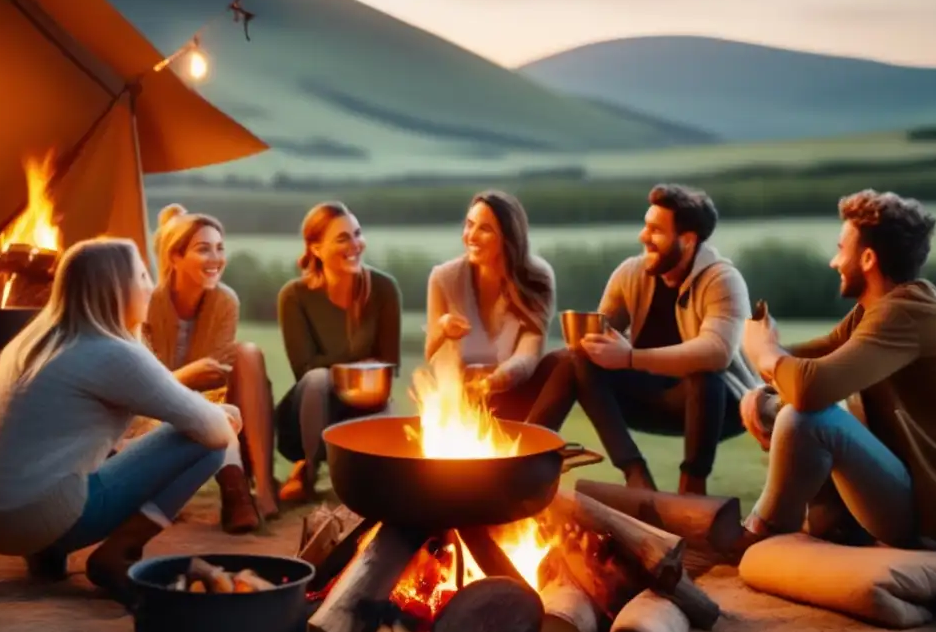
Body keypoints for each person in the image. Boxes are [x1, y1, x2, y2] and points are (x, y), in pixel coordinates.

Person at [0, 238, 237, 604]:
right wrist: (226, 416)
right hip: (42, 516)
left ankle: (46, 555)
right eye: (142, 275)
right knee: (210, 437)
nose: (150, 285)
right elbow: (213, 431)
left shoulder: (32, 342)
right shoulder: (110, 351)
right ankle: (118, 554)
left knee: (68, 456)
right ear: (117, 287)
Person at [739, 189, 936, 557]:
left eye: (841, 248)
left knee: (807, 419)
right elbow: (816, 359)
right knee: (785, 408)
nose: (834, 261)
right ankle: (825, 527)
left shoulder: (904, 315)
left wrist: (764, 352)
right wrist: (764, 374)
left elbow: (810, 387)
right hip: (921, 495)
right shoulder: (884, 309)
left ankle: (758, 536)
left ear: (867, 258)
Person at [526, 184, 758, 495]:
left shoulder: (722, 280)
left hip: (719, 410)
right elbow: (598, 344)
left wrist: (630, 358)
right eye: (645, 225)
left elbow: (717, 353)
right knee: (577, 361)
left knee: (705, 378)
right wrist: (584, 344)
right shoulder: (631, 273)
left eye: (655, 230)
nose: (643, 236)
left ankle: (692, 485)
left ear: (687, 240)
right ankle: (530, 459)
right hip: (646, 398)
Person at [142, 204, 277, 534]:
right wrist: (186, 378)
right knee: (207, 410)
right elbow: (143, 385)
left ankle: (243, 493)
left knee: (246, 355)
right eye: (203, 249)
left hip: (207, 402)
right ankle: (236, 489)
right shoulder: (147, 302)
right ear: (175, 258)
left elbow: (216, 374)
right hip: (150, 409)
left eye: (220, 248)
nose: (216, 258)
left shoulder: (225, 301)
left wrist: (194, 384)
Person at [275, 201, 402, 502]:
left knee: (389, 414)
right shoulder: (294, 296)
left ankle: (363, 472)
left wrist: (360, 369)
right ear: (316, 248)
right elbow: (305, 369)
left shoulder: (384, 289)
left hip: (366, 400)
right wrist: (359, 363)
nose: (355, 244)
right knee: (319, 379)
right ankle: (307, 470)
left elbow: (388, 365)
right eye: (342, 238)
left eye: (357, 234)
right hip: (310, 407)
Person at [425, 190, 556, 420]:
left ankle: (537, 444)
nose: (471, 236)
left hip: (514, 395)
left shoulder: (537, 279)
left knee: (564, 362)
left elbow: (530, 352)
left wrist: (497, 379)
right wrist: (443, 328)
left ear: (508, 238)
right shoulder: (443, 279)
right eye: (469, 225)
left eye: (484, 229)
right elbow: (432, 353)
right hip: (459, 402)